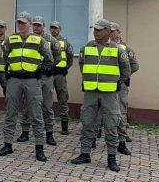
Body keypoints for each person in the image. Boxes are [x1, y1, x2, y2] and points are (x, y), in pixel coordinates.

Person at [70, 18, 131, 172]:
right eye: (94, 29)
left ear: (107, 32)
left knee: (111, 125)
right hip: (90, 93)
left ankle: (112, 157)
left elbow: (126, 70)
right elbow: (82, 65)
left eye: (98, 30)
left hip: (109, 94)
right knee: (87, 123)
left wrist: (118, 83)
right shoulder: (87, 48)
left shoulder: (118, 50)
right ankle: (85, 153)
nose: (95, 32)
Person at [0, 11, 52, 162]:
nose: (20, 25)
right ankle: (7, 144)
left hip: (32, 80)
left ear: (30, 24)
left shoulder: (39, 40)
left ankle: (39, 148)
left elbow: (49, 59)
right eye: (18, 22)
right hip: (14, 79)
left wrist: (41, 71)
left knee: (36, 114)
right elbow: (4, 58)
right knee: (10, 112)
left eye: (23, 23)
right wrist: (5, 74)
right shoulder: (11, 39)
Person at [18, 16, 61, 146]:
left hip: (45, 77)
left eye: (39, 25)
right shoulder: (27, 38)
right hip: (30, 76)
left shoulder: (51, 40)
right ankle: (25, 131)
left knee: (47, 106)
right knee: (27, 104)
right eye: (35, 25)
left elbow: (57, 58)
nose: (36, 27)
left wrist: (47, 68)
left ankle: (49, 133)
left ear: (43, 26)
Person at [109, 21, 139, 154]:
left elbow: (135, 66)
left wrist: (124, 77)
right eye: (109, 30)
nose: (110, 33)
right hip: (107, 84)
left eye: (113, 31)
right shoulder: (105, 46)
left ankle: (122, 136)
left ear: (119, 32)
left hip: (120, 85)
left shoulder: (126, 48)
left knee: (121, 110)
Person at [49, 21, 74, 135]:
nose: (54, 30)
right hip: (49, 74)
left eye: (56, 28)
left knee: (63, 99)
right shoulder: (46, 41)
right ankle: (48, 124)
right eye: (52, 28)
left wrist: (65, 68)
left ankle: (64, 126)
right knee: (47, 100)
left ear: (60, 29)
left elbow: (70, 58)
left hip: (60, 75)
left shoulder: (65, 42)